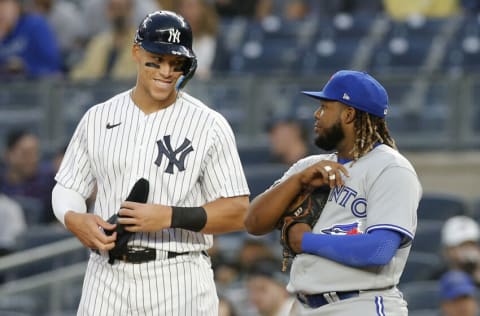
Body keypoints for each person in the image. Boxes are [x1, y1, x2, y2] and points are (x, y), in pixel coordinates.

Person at [51, 10, 250, 315]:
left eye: (176, 63)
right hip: (107, 275)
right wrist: (74, 218)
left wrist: (170, 216)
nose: (166, 71)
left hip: (179, 275)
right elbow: (68, 187)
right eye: (156, 59)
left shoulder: (208, 124)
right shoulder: (98, 117)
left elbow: (238, 211)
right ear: (136, 51)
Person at [244, 70, 422, 315]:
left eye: (326, 107)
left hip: (361, 304)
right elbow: (253, 222)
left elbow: (380, 249)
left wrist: (304, 240)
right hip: (303, 305)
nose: (317, 114)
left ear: (349, 114)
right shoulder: (308, 166)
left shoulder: (391, 168)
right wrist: (297, 181)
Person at [69, 0, 138, 80]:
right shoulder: (98, 42)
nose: (118, 13)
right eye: (113, 8)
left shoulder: (141, 44)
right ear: (108, 11)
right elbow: (85, 71)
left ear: (130, 10)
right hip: (96, 89)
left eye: (121, 8)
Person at [0, 129, 56, 225]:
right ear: (8, 154)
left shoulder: (50, 181)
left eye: (35, 153)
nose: (32, 159)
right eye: (25, 153)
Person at [0, 0, 61, 79]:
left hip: (35, 86)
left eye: (4, 4)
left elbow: (53, 67)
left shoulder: (35, 25)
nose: (1, 11)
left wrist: (24, 68)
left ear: (16, 6)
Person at [441, 215, 480, 286]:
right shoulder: (437, 276)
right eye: (462, 245)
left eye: (471, 244)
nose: (468, 250)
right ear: (448, 250)